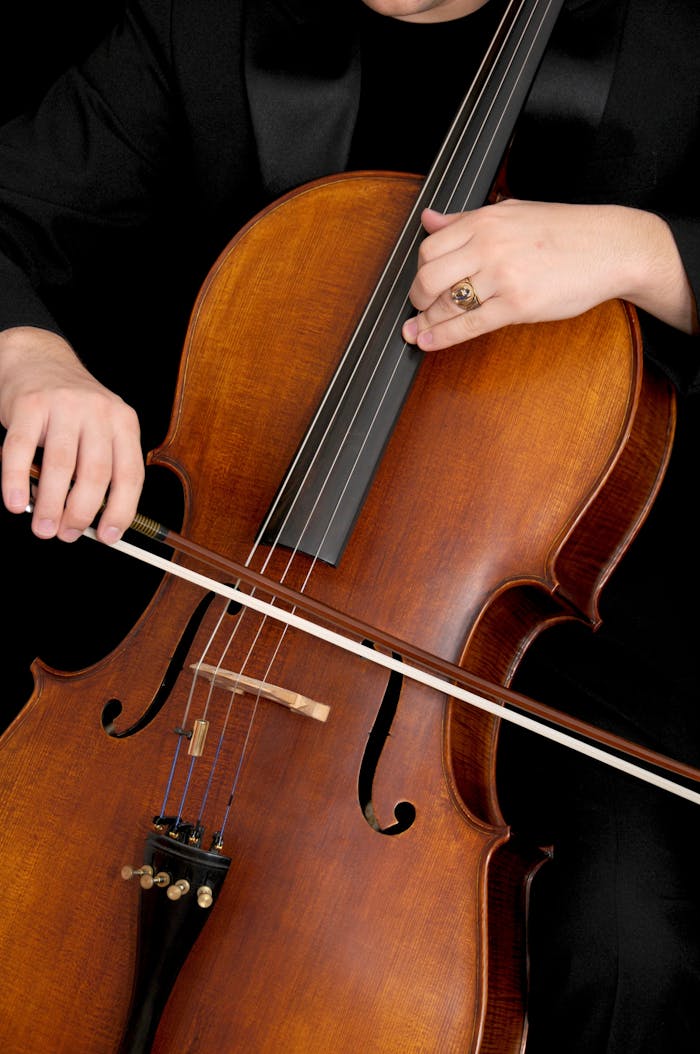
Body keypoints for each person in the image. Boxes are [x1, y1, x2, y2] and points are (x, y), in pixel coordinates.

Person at [0, 1, 698, 1051]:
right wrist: (29, 361)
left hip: (558, 632)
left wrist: (648, 250)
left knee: (625, 942)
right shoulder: (201, 23)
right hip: (219, 588)